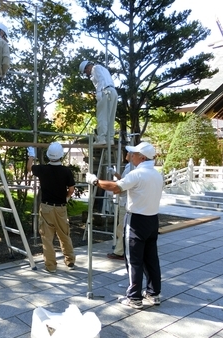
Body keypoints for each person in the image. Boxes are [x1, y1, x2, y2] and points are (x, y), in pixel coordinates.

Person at [85, 141, 162, 309]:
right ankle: (153, 293)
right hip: (152, 219)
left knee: (134, 260)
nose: (131, 156)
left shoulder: (138, 174)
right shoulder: (157, 174)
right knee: (151, 259)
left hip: (136, 220)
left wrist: (95, 181)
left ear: (142, 157)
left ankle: (134, 297)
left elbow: (116, 187)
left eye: (133, 154)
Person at [27, 142, 76, 273]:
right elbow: (71, 190)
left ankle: (51, 266)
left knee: (47, 238)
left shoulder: (42, 169)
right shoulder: (66, 171)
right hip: (61, 207)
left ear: (48, 155)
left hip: (46, 207)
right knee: (64, 235)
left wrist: (31, 155)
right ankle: (70, 260)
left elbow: (29, 168)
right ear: (61, 156)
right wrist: (65, 197)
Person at [79, 60, 118, 145]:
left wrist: (99, 92)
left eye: (86, 71)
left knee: (102, 116)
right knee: (110, 117)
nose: (87, 73)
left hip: (105, 91)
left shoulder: (95, 68)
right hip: (113, 91)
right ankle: (110, 138)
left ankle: (101, 138)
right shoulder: (103, 69)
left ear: (87, 66)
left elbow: (101, 80)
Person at [107, 151, 133, 260]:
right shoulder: (129, 166)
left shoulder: (132, 168)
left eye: (129, 152)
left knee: (122, 227)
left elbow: (123, 186)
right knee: (122, 227)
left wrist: (111, 190)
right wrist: (114, 173)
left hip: (126, 202)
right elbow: (123, 179)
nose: (126, 153)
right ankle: (123, 250)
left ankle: (119, 252)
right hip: (126, 201)